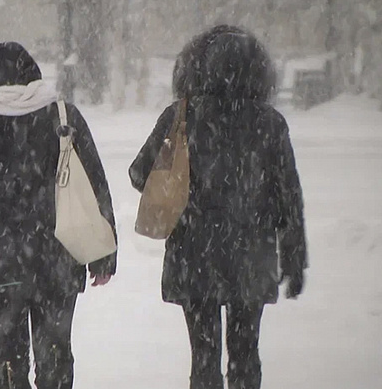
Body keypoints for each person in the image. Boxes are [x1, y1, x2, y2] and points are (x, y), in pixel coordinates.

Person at [129, 25, 308, 389]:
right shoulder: (270, 124)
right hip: (250, 257)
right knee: (245, 354)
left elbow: (138, 173)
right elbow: (289, 196)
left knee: (204, 358)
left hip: (194, 256)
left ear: (198, 68)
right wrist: (293, 256)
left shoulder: (181, 117)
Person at [0, 42, 116, 389]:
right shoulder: (62, 116)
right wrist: (104, 252)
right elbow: (93, 181)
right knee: (55, 353)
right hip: (57, 254)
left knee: (8, 355)